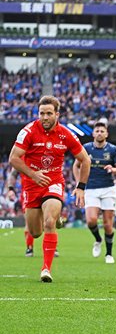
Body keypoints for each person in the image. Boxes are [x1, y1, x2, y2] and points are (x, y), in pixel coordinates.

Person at [9, 95, 91, 282]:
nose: (44, 117)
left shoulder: (66, 134)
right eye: (41, 113)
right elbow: (13, 158)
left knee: (48, 223)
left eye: (48, 114)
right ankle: (56, 220)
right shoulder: (28, 131)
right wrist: (33, 174)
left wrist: (81, 187)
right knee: (35, 232)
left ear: (57, 114)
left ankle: (46, 269)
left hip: (53, 183)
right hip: (31, 184)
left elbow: (85, 160)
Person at [73, 121, 116, 264]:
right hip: (91, 188)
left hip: (108, 189)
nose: (100, 133)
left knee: (108, 224)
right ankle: (98, 239)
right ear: (93, 133)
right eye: (97, 131)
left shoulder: (113, 149)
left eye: (102, 131)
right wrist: (79, 184)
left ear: (106, 134)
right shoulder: (86, 148)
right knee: (91, 220)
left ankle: (109, 253)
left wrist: (113, 169)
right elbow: (76, 166)